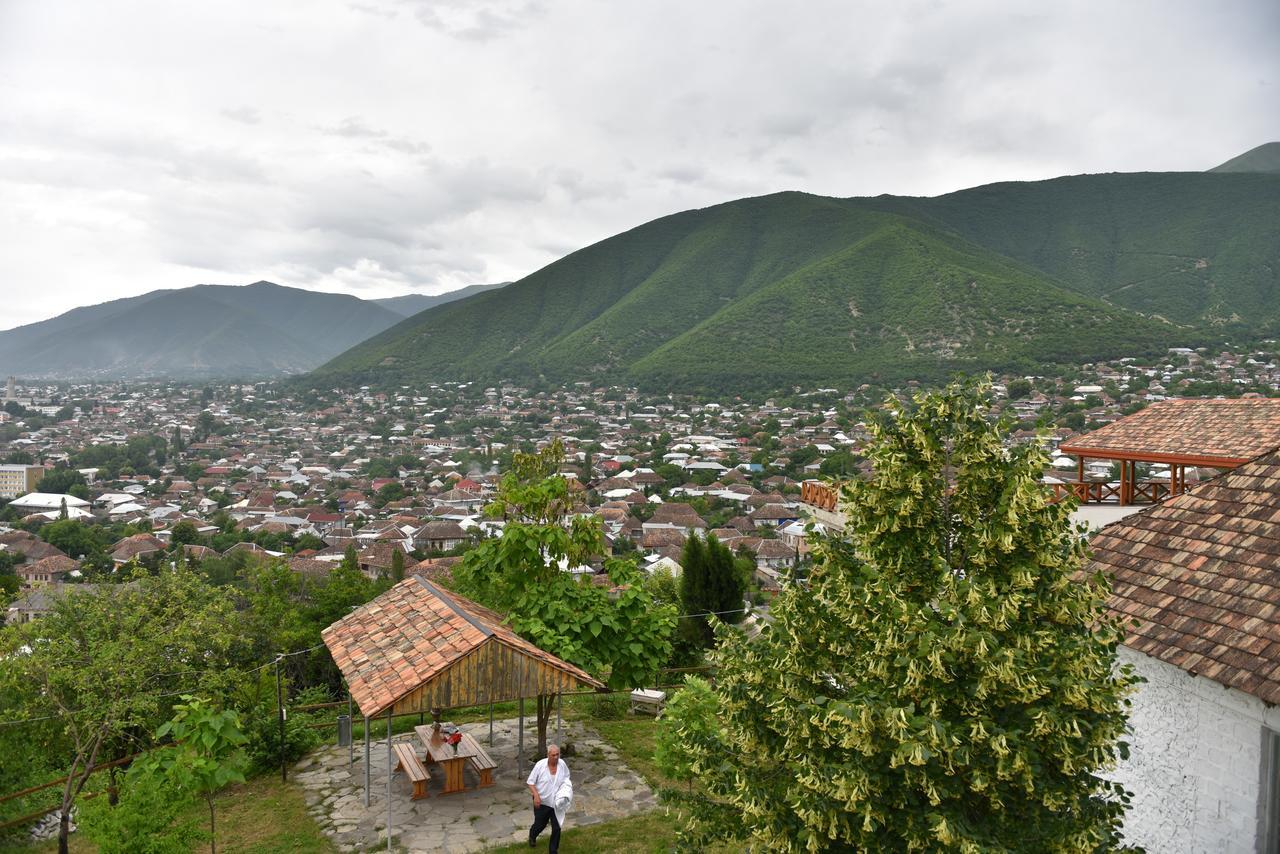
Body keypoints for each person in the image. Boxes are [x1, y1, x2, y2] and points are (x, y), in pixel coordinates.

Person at [527, 744, 569, 852]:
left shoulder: (562, 764)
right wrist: (536, 795)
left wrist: (565, 793)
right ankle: (532, 835)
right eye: (553, 755)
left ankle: (553, 850)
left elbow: (566, 779)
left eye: (557, 755)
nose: (556, 757)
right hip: (542, 802)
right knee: (540, 825)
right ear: (548, 755)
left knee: (557, 827)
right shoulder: (540, 765)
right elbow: (530, 782)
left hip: (556, 803)